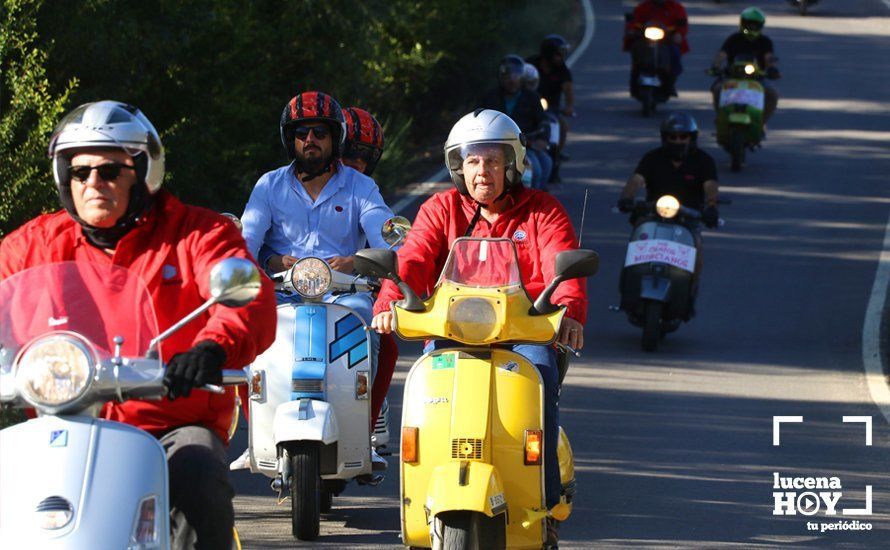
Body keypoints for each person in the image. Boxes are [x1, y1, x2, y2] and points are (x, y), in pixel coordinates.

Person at [0, 100, 277, 549]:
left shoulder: (197, 235)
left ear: (144, 171)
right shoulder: (31, 246)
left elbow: (249, 297)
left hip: (166, 425)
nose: (93, 183)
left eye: (110, 171)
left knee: (199, 472)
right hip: (57, 425)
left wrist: (211, 348)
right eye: (79, 171)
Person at [369, 109, 587, 545]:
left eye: (491, 159)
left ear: (513, 163)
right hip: (450, 334)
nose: (481, 170)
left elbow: (563, 265)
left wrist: (570, 314)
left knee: (540, 380)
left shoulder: (542, 210)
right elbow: (412, 258)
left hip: (523, 337)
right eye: (471, 161)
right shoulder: (440, 208)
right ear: (458, 166)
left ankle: (541, 506)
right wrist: (390, 301)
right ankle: (422, 496)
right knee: (427, 403)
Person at [240, 91, 395, 470]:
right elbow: (245, 239)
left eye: (320, 133)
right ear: (290, 139)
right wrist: (263, 262)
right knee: (240, 341)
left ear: (335, 139)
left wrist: (359, 260)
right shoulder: (269, 185)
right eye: (302, 132)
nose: (310, 140)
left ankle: (365, 436)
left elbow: (388, 237)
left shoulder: (361, 187)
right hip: (281, 293)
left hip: (346, 295)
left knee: (371, 333)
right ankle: (253, 438)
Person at [617, 112, 719, 309]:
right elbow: (636, 180)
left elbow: (710, 186)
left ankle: (689, 292)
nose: (678, 141)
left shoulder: (703, 160)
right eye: (673, 137)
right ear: (665, 138)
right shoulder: (652, 158)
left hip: (688, 218)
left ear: (692, 138)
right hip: (651, 215)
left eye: (683, 137)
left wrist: (712, 206)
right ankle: (628, 286)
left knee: (696, 248)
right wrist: (627, 198)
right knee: (635, 243)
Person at [479, 55, 552, 188]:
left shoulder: (532, 97)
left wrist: (543, 139)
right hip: (497, 146)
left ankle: (537, 199)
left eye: (516, 75)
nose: (512, 80)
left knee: (546, 163)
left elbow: (544, 121)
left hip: (526, 145)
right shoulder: (490, 98)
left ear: (522, 77)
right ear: (501, 77)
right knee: (536, 168)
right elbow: (479, 122)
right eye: (508, 75)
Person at [710, 7, 780, 123]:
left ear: (761, 26)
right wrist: (715, 67)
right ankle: (721, 118)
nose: (752, 28)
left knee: (772, 94)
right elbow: (722, 54)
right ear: (742, 23)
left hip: (757, 78)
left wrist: (772, 69)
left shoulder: (765, 41)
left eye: (755, 25)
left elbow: (769, 57)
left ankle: (760, 123)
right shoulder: (734, 39)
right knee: (717, 89)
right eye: (749, 24)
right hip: (732, 77)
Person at [527, 34, 575, 181]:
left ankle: (556, 155)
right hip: (529, 106)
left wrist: (569, 106)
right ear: (548, 53)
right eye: (558, 54)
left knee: (562, 125)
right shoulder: (530, 64)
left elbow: (568, 90)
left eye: (562, 54)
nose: (561, 58)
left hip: (552, 109)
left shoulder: (562, 70)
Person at [624, 0, 689, 96]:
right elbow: (633, 22)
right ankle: (635, 79)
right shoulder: (643, 7)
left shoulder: (675, 7)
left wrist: (678, 34)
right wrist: (631, 31)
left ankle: (670, 82)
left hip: (667, 41)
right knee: (636, 51)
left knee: (675, 53)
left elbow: (683, 24)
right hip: (645, 40)